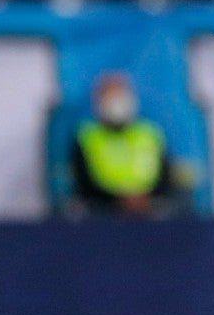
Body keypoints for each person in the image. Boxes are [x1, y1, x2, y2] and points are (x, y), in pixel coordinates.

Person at [69, 72, 174, 217]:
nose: (116, 103)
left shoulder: (150, 134)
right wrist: (119, 199)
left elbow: (166, 177)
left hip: (150, 209)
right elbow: (83, 183)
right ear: (99, 102)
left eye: (120, 97)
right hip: (103, 211)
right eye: (110, 98)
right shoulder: (87, 136)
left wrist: (144, 198)